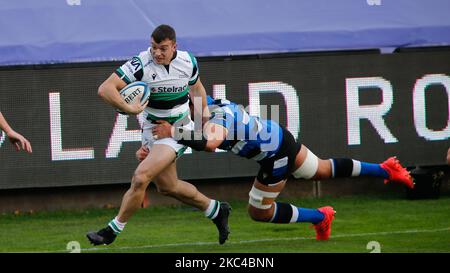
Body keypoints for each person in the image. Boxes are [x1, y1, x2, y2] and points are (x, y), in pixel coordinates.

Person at [149, 96, 415, 240]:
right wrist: (156, 145)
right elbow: (194, 135)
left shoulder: (217, 119)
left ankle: (320, 217)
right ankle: (385, 169)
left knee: (258, 212)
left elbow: (211, 142)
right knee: (321, 170)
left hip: (275, 156)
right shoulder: (212, 106)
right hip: (279, 137)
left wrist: (172, 130)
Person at [87, 25, 231, 246]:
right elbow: (105, 89)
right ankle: (216, 209)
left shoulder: (188, 62)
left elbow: (197, 89)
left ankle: (111, 231)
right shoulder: (140, 63)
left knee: (141, 177)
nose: (157, 53)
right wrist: (130, 108)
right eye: (154, 47)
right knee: (168, 187)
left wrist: (202, 125)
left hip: (177, 130)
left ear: (174, 46)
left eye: (163, 48)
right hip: (152, 130)